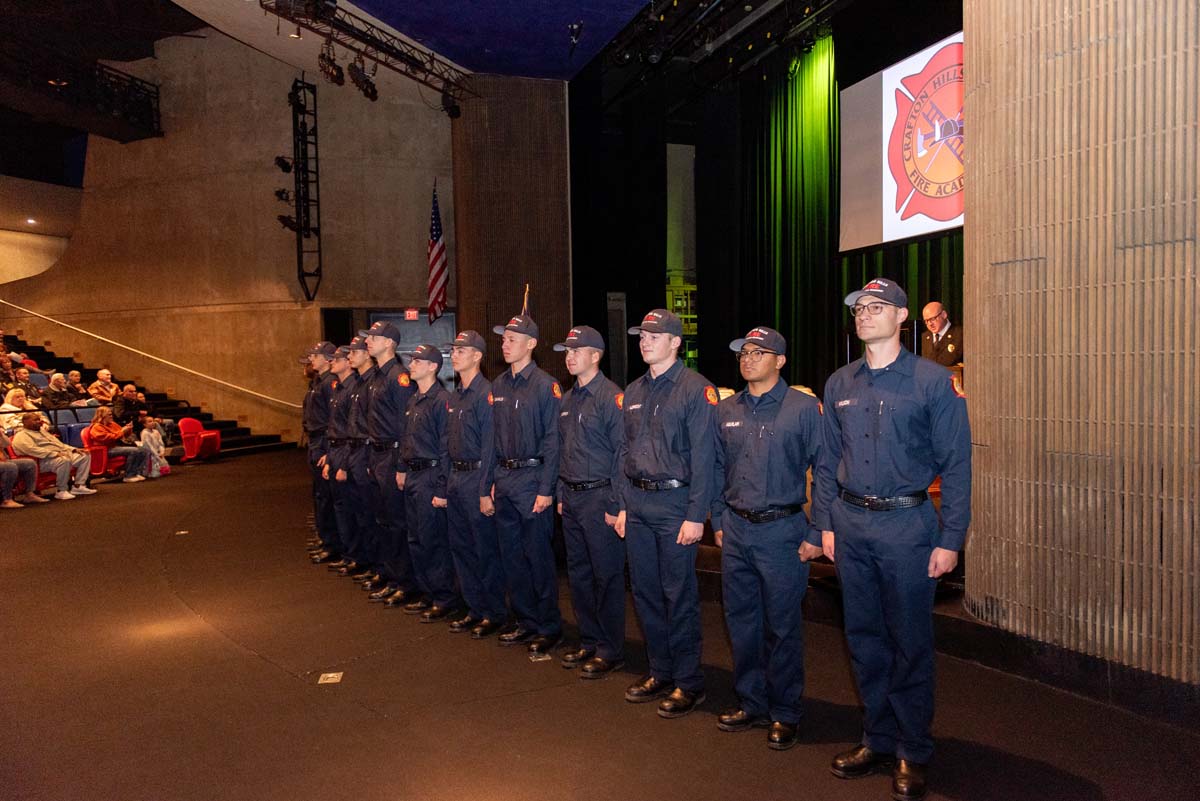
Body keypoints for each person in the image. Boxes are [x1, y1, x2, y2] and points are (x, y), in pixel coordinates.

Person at [813, 278, 972, 801]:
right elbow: (829, 461)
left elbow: (957, 464)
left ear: (902, 318)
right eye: (859, 307)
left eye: (877, 307)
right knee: (863, 640)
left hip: (907, 528)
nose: (864, 314)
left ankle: (912, 748)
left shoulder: (932, 382)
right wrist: (828, 523)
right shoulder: (839, 384)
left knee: (909, 643)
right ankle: (877, 737)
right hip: (852, 526)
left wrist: (951, 539)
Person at [711, 326, 823, 750]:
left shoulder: (803, 408)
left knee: (782, 627)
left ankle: (785, 711)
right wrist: (718, 521)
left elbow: (826, 470)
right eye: (743, 352)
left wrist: (817, 530)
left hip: (783, 531)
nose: (748, 358)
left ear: (780, 361)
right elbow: (717, 468)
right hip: (737, 531)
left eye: (759, 352)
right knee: (741, 623)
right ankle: (751, 701)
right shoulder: (726, 410)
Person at [616, 309, 719, 718]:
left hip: (676, 506)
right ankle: (660, 671)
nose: (645, 341)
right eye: (642, 336)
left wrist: (697, 515)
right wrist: (623, 504)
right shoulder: (635, 390)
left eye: (654, 336)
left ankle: (689, 682)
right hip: (638, 503)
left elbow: (705, 458)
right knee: (644, 593)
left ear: (676, 342)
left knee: (679, 596)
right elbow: (625, 453)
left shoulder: (696, 390)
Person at [553, 325, 627, 678]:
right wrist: (559, 495)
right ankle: (589, 639)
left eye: (575, 351)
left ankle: (610, 648)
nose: (569, 357)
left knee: (606, 576)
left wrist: (616, 503)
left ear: (595, 356)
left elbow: (621, 455)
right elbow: (561, 452)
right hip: (571, 496)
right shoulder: (567, 400)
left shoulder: (611, 397)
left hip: (600, 497)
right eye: (566, 352)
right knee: (579, 575)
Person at [490, 312, 563, 655]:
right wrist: (489, 482)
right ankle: (525, 620)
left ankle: (548, 626)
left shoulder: (546, 386)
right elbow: (491, 439)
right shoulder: (499, 385)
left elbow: (552, 441)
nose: (505, 344)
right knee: (512, 557)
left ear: (531, 344)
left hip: (532, 480)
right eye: (503, 339)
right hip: (504, 479)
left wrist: (546, 489)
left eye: (512, 340)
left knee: (538, 558)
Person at [443, 330, 507, 638]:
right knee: (462, 548)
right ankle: (475, 607)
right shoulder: (456, 395)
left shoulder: (486, 394)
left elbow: (489, 446)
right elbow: (448, 444)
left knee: (484, 550)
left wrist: (485, 490)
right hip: (456, 477)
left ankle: (493, 612)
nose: (455, 354)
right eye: (453, 350)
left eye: (461, 349)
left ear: (477, 356)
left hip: (476, 477)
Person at [397, 344, 461, 622]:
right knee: (416, 539)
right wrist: (401, 468)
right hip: (413, 475)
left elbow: (446, 448)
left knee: (433, 540)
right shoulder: (413, 400)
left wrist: (441, 487)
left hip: (430, 476)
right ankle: (427, 592)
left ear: (433, 366)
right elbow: (407, 439)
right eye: (412, 360)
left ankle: (444, 597)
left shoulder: (441, 400)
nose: (412, 364)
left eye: (418, 360)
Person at [358, 320, 420, 604]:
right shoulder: (375, 378)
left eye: (373, 337)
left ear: (389, 344)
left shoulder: (398, 377)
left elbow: (405, 426)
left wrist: (401, 465)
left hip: (393, 454)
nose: (368, 340)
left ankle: (405, 583)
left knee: (397, 523)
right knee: (381, 519)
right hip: (377, 453)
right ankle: (389, 573)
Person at [302, 342, 342, 564]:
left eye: (315, 356)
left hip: (323, 440)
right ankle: (325, 537)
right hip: (315, 440)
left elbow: (332, 419)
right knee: (320, 495)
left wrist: (328, 449)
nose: (311, 360)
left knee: (327, 496)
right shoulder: (318, 382)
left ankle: (332, 543)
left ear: (327, 359)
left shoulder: (330, 383)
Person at [11, 413, 97, 500]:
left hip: (59, 455)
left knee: (84, 455)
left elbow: (59, 444)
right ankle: (61, 490)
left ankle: (79, 486)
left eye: (38, 419)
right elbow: (31, 449)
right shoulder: (21, 435)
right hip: (41, 461)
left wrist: (73, 449)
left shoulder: (42, 431)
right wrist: (54, 454)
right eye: (35, 420)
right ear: (25, 422)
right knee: (64, 460)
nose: (39, 422)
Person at [87, 406, 149, 481]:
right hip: (105, 450)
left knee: (144, 450)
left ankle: (138, 473)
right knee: (134, 451)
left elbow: (122, 434)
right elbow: (108, 438)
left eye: (111, 414)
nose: (111, 416)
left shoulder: (112, 424)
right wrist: (122, 431)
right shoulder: (96, 427)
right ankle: (129, 475)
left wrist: (128, 429)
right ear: (102, 416)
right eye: (109, 415)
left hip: (115, 447)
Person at [0, 430, 50, 508]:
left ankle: (29, 494)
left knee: (29, 463)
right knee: (10, 467)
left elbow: (7, 444)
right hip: (4, 463)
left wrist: (1, 435)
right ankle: (6, 500)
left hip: (3, 460)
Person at [919, 302, 963, 367]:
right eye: (926, 321)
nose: (930, 324)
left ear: (944, 315)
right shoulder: (923, 338)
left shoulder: (961, 335)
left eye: (933, 319)